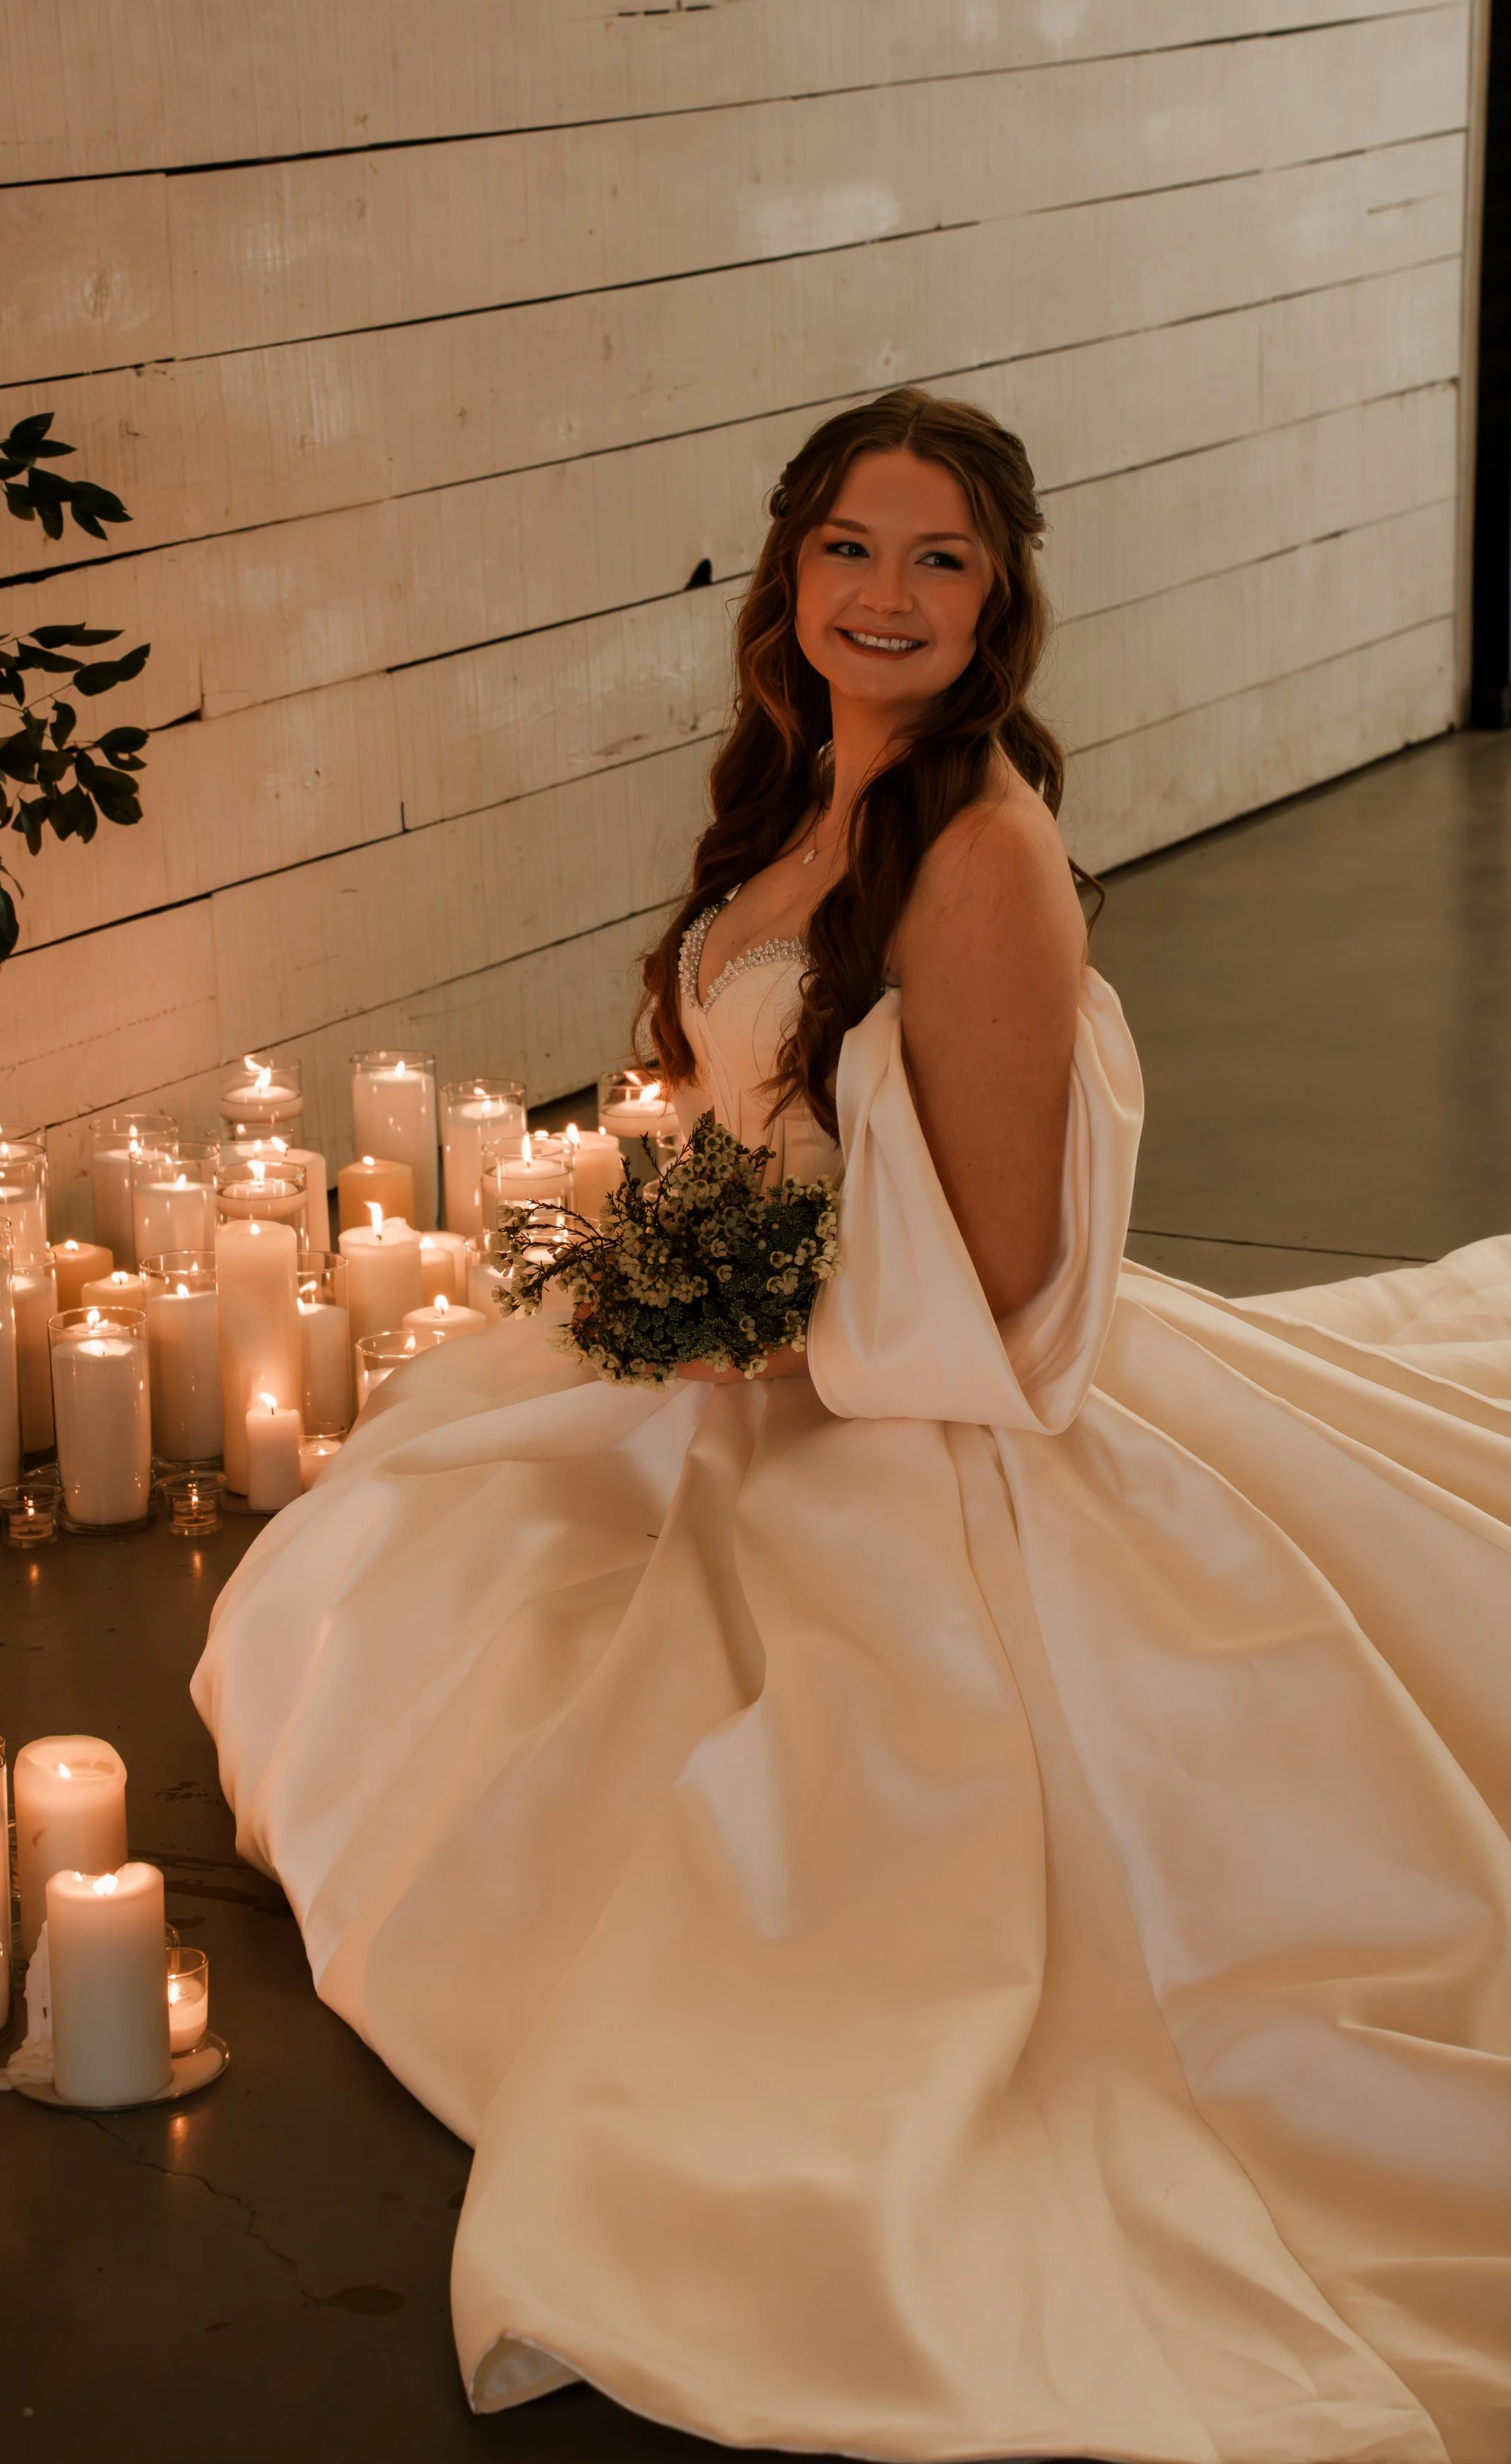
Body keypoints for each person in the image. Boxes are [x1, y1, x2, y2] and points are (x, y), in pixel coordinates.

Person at [194, 390, 1510, 2463]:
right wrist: (689, 1280)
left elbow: (992, 1262)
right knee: (409, 1552)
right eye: (849, 550)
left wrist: (748, 1328)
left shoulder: (982, 857)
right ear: (784, 576)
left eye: (937, 560)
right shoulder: (804, 788)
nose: (883, 595)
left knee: (789, 1806)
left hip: (908, 1409)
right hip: (786, 1348)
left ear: (998, 607)